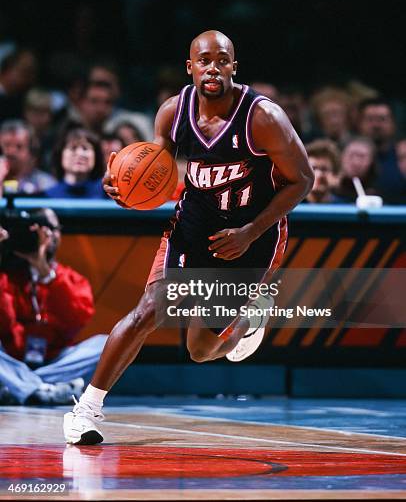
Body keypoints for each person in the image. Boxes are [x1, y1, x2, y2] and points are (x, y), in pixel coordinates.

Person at [63, 30, 313, 445]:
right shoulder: (173, 112)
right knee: (148, 310)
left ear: (234, 67)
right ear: (190, 67)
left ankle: (250, 319)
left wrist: (251, 232)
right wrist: (128, 193)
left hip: (251, 234)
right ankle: (86, 409)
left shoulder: (262, 117)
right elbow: (154, 170)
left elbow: (303, 180)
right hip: (193, 226)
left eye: (221, 60)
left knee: (199, 348)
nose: (212, 68)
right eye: (204, 60)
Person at [0, 208, 107, 405]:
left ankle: (20, 386)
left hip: (56, 359)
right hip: (11, 357)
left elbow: (75, 320)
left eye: (50, 228)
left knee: (105, 343)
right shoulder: (7, 277)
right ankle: (45, 388)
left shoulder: (71, 278)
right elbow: (4, 324)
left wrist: (43, 270)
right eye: (35, 230)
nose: (42, 236)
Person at [357, 98, 405, 202]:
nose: (376, 125)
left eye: (382, 119)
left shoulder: (402, 156)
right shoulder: (347, 156)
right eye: (370, 119)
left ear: (393, 124)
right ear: (360, 124)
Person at [45, 128, 106, 199]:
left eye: (85, 148)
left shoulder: (108, 194)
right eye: (73, 148)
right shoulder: (47, 196)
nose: (80, 154)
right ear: (60, 155)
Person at [0, 120, 56, 194]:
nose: (11, 152)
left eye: (19, 146)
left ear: (32, 150)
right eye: (7, 145)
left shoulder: (46, 184)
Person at [304, 139, 342, 203]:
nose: (319, 174)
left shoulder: (345, 208)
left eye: (324, 169)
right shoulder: (290, 207)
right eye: (313, 169)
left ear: (335, 175)